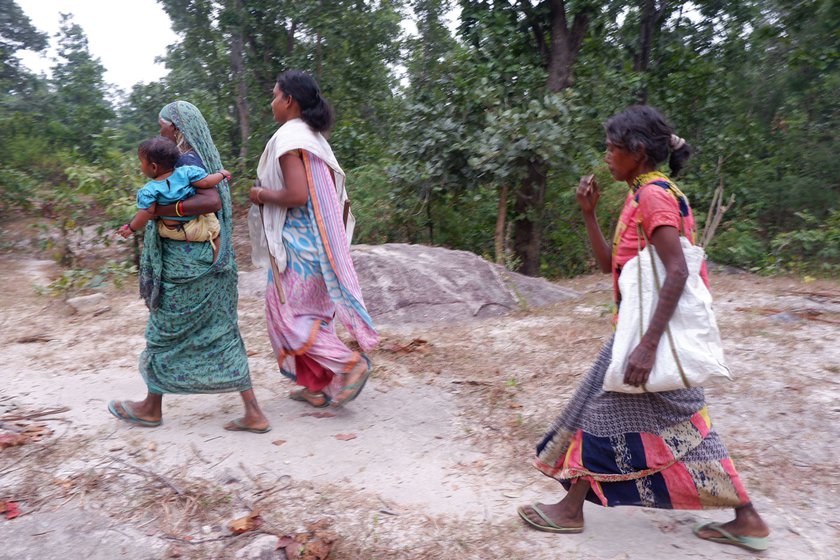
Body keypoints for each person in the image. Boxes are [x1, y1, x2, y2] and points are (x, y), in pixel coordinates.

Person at [517, 105, 770, 552]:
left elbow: (677, 271)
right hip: (635, 334)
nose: (606, 156)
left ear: (637, 151)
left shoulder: (653, 196)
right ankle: (745, 517)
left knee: (601, 415)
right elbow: (608, 267)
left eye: (612, 148)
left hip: (647, 337)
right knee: (677, 427)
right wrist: (589, 214)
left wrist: (648, 346)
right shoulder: (642, 194)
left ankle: (572, 510)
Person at [108, 100, 270, 434]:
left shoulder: (184, 161)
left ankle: (152, 408)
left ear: (176, 128)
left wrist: (162, 211)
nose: (160, 130)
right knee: (221, 331)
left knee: (164, 331)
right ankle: (252, 411)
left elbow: (212, 201)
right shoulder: (200, 160)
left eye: (162, 124)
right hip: (205, 258)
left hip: (188, 264)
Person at [248, 70, 378, 409]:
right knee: (313, 317)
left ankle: (350, 365)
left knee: (287, 318)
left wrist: (260, 194)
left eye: (275, 96)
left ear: (289, 100)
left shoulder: (291, 138)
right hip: (318, 246)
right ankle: (317, 386)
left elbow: (296, 194)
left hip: (298, 248)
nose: (272, 102)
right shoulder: (312, 137)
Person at [116, 136, 229, 260]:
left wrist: (131, 228)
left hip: (170, 230)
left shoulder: (149, 190)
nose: (140, 166)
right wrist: (221, 174)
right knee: (217, 232)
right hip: (195, 227)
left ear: (153, 167)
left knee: (153, 226)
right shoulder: (188, 172)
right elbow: (207, 182)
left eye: (141, 162)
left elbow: (147, 212)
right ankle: (218, 263)